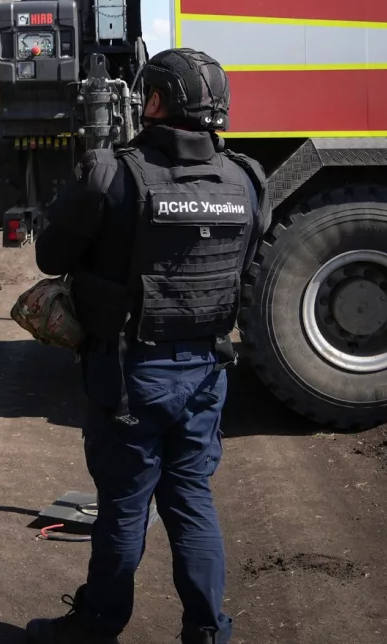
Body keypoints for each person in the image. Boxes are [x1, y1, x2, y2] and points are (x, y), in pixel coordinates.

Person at [26, 48, 269, 644]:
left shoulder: (112, 174)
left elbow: (50, 256)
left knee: (125, 507)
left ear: (154, 101)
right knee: (191, 498)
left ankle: (98, 626)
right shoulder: (246, 179)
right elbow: (246, 260)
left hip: (131, 375)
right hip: (207, 371)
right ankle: (208, 633)